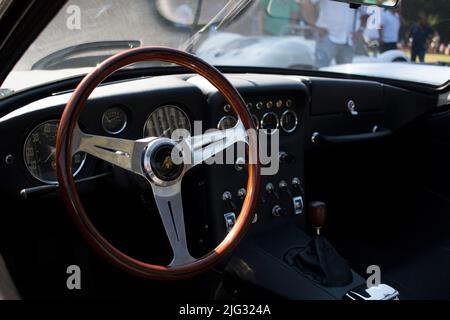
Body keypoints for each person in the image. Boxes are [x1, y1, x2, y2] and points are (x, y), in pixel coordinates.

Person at [301, 0, 369, 67]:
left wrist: (360, 31)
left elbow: (366, 13)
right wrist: (315, 26)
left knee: (345, 75)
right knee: (320, 70)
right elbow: (306, 2)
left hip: (349, 40)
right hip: (327, 38)